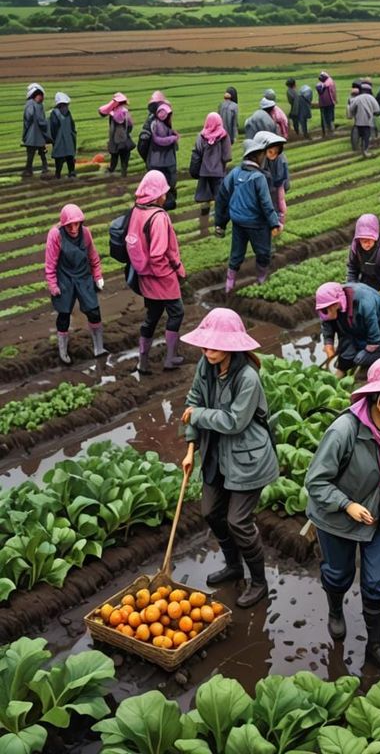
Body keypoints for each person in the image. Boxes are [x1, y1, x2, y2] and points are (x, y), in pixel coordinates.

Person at [306, 355, 380, 673]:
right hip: (337, 517)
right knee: (339, 574)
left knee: (377, 583)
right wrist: (347, 504)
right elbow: (315, 481)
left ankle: (375, 646)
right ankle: (335, 609)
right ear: (375, 396)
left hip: (379, 515)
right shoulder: (344, 430)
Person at [179, 307, 276, 611]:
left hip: (248, 458)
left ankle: (259, 581)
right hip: (214, 453)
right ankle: (234, 566)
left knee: (238, 521)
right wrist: (191, 446)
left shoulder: (247, 377)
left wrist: (198, 415)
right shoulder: (205, 366)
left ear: (232, 345)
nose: (207, 349)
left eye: (214, 344)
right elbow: (193, 400)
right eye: (205, 343)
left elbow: (234, 421)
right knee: (210, 513)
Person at [126, 169, 187, 372]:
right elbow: (159, 253)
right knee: (176, 313)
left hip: (143, 275)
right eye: (162, 192)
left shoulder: (137, 210)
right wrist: (175, 270)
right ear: (156, 194)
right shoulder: (159, 217)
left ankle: (143, 362)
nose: (164, 196)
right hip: (161, 276)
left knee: (152, 316)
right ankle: (170, 358)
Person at [215, 131, 283, 295]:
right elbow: (266, 204)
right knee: (263, 253)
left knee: (236, 254)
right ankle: (261, 280)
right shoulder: (258, 178)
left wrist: (220, 223)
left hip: (238, 221)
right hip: (256, 224)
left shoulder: (235, 173)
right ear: (258, 156)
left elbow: (222, 197)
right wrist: (274, 223)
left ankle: (229, 285)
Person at [45, 204, 105, 364]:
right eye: (69, 225)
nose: (73, 228)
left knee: (93, 311)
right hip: (64, 277)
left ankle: (99, 347)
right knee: (64, 314)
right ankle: (63, 351)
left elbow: (93, 255)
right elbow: (50, 263)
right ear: (64, 224)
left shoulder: (85, 233)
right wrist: (53, 285)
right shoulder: (55, 235)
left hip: (83, 276)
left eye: (76, 224)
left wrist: (97, 275)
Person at [317, 281, 380, 374]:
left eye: (326, 309)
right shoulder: (334, 304)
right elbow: (327, 321)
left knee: (360, 358)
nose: (324, 311)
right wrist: (329, 343)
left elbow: (374, 336)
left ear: (336, 304)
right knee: (345, 353)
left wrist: (368, 348)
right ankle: (344, 368)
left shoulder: (364, 302)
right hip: (358, 327)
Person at [191, 110, 232, 226]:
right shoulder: (224, 135)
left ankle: (203, 223)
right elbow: (227, 156)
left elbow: (198, 152)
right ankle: (219, 224)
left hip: (204, 172)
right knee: (219, 198)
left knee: (204, 199)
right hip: (218, 172)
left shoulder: (201, 135)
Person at [144, 100, 180, 205]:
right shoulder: (158, 125)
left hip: (157, 162)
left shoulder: (156, 123)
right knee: (167, 185)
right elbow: (159, 140)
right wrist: (173, 138)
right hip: (164, 162)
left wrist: (172, 133)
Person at [99, 92, 134, 179]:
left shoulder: (112, 113)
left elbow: (102, 111)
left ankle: (112, 171)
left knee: (114, 156)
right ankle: (124, 173)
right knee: (125, 157)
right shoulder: (126, 112)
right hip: (124, 138)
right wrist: (126, 133)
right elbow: (130, 125)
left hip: (115, 138)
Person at [48, 92, 77, 179]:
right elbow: (72, 125)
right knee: (70, 157)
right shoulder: (68, 113)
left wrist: (52, 139)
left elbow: (53, 128)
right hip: (69, 138)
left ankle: (58, 175)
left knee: (59, 158)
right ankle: (71, 173)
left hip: (59, 139)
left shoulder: (54, 113)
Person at [22, 84, 47, 177]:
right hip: (34, 134)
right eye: (39, 95)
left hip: (34, 135)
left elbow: (29, 119)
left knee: (38, 152)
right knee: (35, 153)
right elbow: (31, 117)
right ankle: (33, 169)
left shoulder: (35, 105)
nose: (41, 97)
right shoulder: (33, 105)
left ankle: (30, 170)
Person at [316, 72, 337, 137]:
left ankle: (325, 132)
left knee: (324, 118)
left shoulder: (320, 85)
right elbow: (333, 92)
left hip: (322, 104)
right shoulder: (330, 82)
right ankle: (331, 131)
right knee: (330, 117)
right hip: (330, 102)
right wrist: (335, 99)